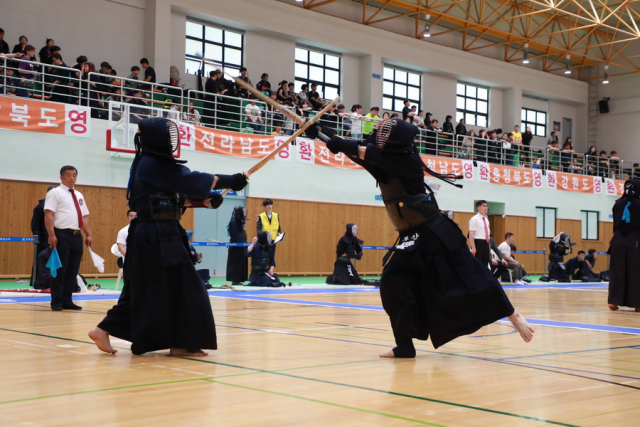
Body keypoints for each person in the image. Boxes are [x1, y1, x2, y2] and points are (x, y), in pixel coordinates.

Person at [306, 118, 534, 358]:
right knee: (393, 283)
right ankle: (404, 346)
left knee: (472, 276)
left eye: (385, 132)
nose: (378, 135)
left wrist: (334, 142)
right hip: (410, 235)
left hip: (435, 232)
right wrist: (322, 133)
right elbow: (357, 151)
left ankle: (512, 314)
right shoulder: (386, 158)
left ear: (396, 140)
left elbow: (361, 150)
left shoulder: (406, 161)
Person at [89, 117, 248, 356]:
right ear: (158, 139)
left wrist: (204, 201)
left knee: (148, 288)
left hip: (154, 232)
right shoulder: (153, 164)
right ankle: (182, 343)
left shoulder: (151, 164)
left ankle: (104, 330)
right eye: (168, 135)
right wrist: (229, 180)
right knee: (188, 287)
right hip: (156, 235)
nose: (172, 139)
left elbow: (172, 198)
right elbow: (190, 180)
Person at [44, 166, 93, 311]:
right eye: (68, 175)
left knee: (72, 270)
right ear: (61, 177)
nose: (72, 178)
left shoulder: (79, 195)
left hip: (77, 236)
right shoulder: (55, 193)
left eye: (74, 175)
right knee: (60, 270)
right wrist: (52, 235)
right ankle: (57, 302)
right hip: (62, 235)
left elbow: (84, 216)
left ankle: (67, 300)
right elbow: (48, 214)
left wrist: (88, 234)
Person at [608, 179, 640, 312]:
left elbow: (616, 223)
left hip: (618, 240)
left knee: (617, 270)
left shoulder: (617, 204)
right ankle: (637, 304)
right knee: (636, 271)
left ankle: (613, 302)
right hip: (636, 240)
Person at [30, 186, 56, 287]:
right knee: (41, 259)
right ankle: (39, 282)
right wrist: (36, 237)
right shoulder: (39, 207)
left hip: (58, 238)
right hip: (43, 238)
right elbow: (35, 224)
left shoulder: (60, 206)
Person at [226, 206, 249, 287]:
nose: (245, 213)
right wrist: (241, 243)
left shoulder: (241, 221)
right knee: (235, 264)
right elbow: (235, 235)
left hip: (242, 246)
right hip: (236, 247)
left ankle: (239, 280)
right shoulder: (233, 221)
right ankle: (235, 280)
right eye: (243, 212)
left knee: (240, 264)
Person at [257, 199, 282, 264]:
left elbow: (278, 226)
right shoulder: (260, 216)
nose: (269, 206)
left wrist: (279, 233)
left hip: (273, 239)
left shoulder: (276, 215)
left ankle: (270, 271)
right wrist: (260, 237)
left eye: (270, 204)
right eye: (267, 204)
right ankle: (264, 271)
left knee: (272, 256)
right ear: (265, 206)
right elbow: (258, 228)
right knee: (264, 256)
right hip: (264, 240)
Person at [469, 200, 491, 266]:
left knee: (485, 264)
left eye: (486, 206)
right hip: (478, 243)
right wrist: (473, 247)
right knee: (478, 263)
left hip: (486, 243)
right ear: (478, 208)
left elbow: (487, 234)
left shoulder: (486, 219)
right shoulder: (474, 219)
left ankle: (484, 276)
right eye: (483, 206)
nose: (486, 208)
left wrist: (488, 246)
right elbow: (471, 233)